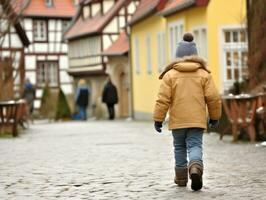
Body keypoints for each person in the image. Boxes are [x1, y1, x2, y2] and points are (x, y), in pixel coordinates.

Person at [153, 33, 221, 191]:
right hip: (197, 120)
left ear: (177, 57)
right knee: (195, 145)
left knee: (179, 147)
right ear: (196, 56)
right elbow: (214, 98)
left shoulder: (170, 75)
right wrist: (215, 116)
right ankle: (196, 168)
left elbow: (162, 99)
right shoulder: (204, 75)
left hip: (177, 121)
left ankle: (182, 178)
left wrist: (158, 119)